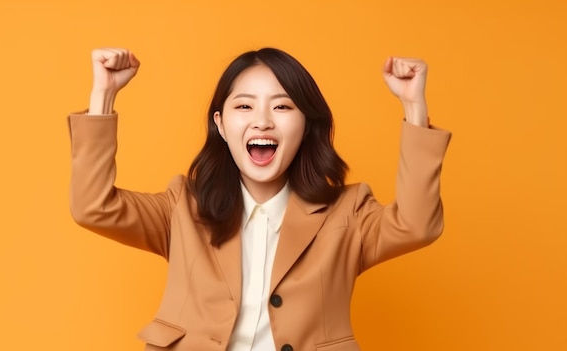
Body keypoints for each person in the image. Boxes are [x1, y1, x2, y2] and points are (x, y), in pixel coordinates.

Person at [68, 47, 451, 351]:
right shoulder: (181, 207)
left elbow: (417, 224)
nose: (263, 121)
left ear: (306, 125)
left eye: (282, 106)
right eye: (244, 106)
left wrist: (414, 106)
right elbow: (93, 206)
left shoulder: (347, 213)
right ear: (220, 124)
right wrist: (104, 94)